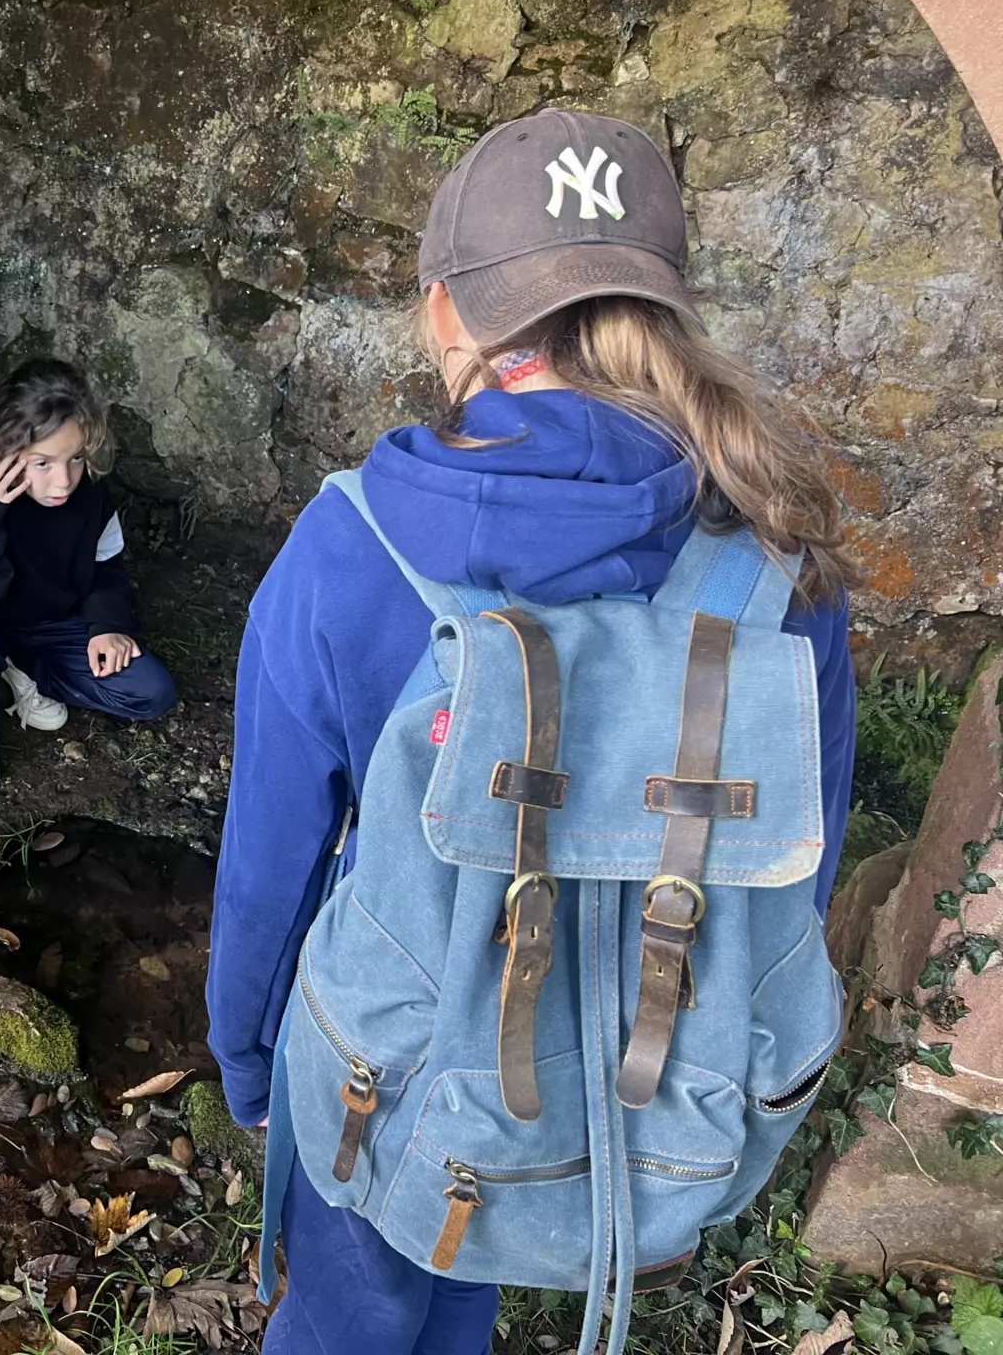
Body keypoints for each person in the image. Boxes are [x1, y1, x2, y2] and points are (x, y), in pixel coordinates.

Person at [204, 108, 858, 1354]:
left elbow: (272, 861)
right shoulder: (776, 559)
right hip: (645, 1087)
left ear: (444, 311)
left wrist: (249, 1059)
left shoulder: (353, 547)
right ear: (662, 306)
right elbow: (798, 865)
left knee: (357, 1303)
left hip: (384, 1074)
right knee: (477, 1249)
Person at [0, 358, 178, 796]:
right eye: (42, 463)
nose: (64, 481)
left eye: (75, 458)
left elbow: (106, 566)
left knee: (152, 693)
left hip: (54, 622)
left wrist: (108, 625)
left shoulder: (88, 491)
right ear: (2, 446)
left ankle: (26, 669)